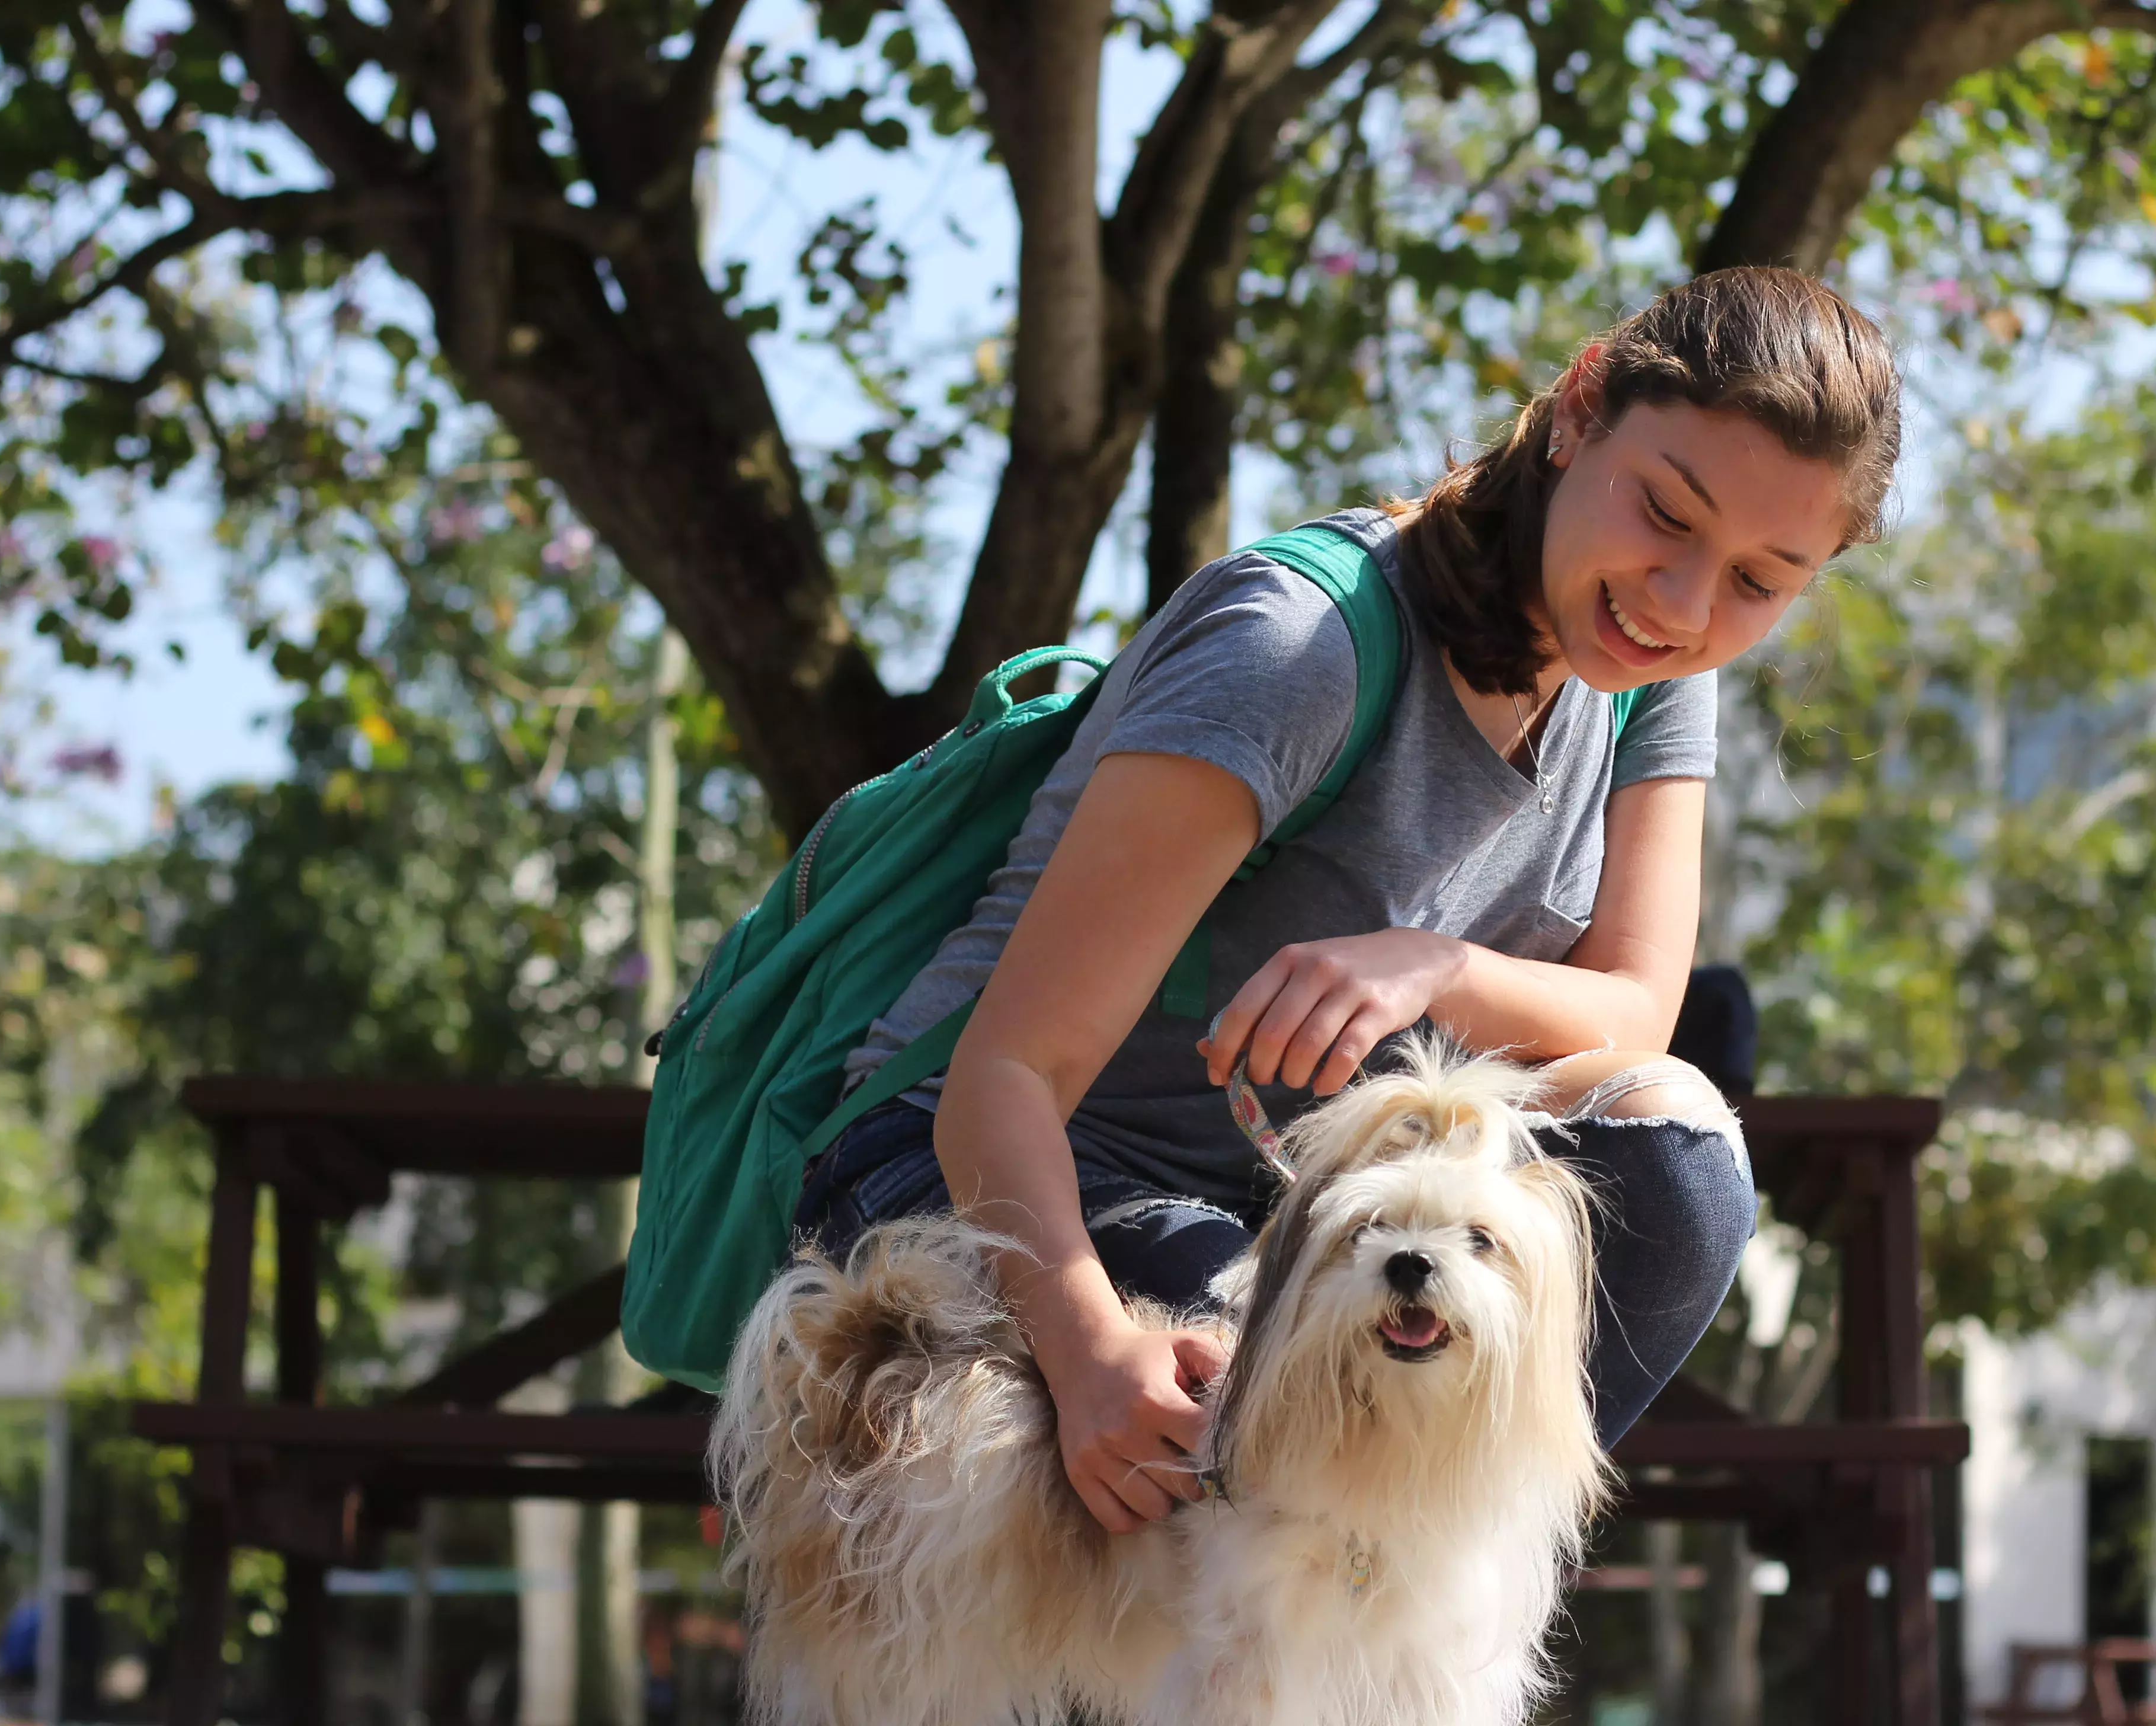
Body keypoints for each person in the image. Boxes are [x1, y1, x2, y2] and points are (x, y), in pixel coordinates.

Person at [795, 264, 1903, 1536]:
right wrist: (1091, 1345)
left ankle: (1423, 1604)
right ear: (1583, 406)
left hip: (1304, 1214)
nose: (1684, 603)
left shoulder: (1653, 672)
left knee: (1675, 1151)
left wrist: (1433, 966)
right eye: (1664, 512)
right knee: (1295, 1378)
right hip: (983, 1172)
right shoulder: (1298, 647)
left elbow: (1635, 1016)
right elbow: (1009, 1072)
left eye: (1761, 581)